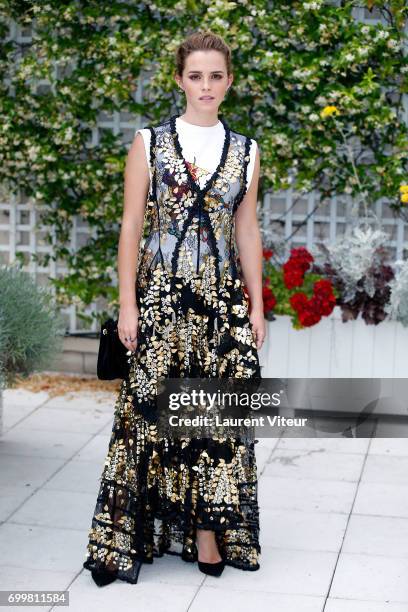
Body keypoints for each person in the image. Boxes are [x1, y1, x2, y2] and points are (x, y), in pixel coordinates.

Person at [83, 29, 266, 587]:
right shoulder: (149, 142)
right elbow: (132, 226)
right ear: (179, 80)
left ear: (229, 82)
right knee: (145, 415)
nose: (205, 86)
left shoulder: (246, 151)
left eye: (216, 76)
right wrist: (126, 304)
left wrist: (257, 306)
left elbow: (248, 230)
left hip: (219, 305)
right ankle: (123, 538)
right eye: (195, 76)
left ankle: (207, 533)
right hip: (160, 300)